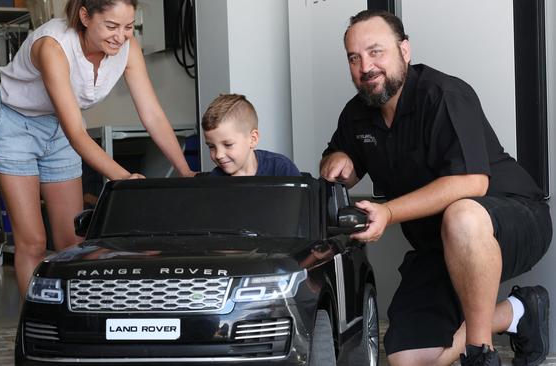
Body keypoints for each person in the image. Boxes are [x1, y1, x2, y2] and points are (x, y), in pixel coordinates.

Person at [319, 9, 551, 366]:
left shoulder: (443, 94)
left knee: (462, 214)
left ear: (405, 51)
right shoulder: (357, 113)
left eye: (376, 51)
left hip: (513, 218)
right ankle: (520, 311)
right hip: (438, 247)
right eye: (354, 57)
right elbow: (339, 159)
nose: (366, 66)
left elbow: (473, 183)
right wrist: (337, 161)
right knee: (408, 360)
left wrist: (389, 212)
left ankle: (479, 353)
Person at [0, 0, 195, 295]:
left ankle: (73, 322)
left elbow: (152, 115)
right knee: (33, 242)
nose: (121, 36)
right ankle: (34, 328)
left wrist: (186, 172)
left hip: (60, 126)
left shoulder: (127, 49)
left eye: (129, 27)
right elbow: (77, 134)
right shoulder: (52, 47)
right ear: (85, 16)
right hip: (17, 125)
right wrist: (125, 179)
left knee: (73, 241)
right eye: (111, 26)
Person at [201, 94, 300, 176]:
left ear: (253, 139)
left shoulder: (281, 168)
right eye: (211, 146)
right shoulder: (215, 179)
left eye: (228, 145)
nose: (218, 155)